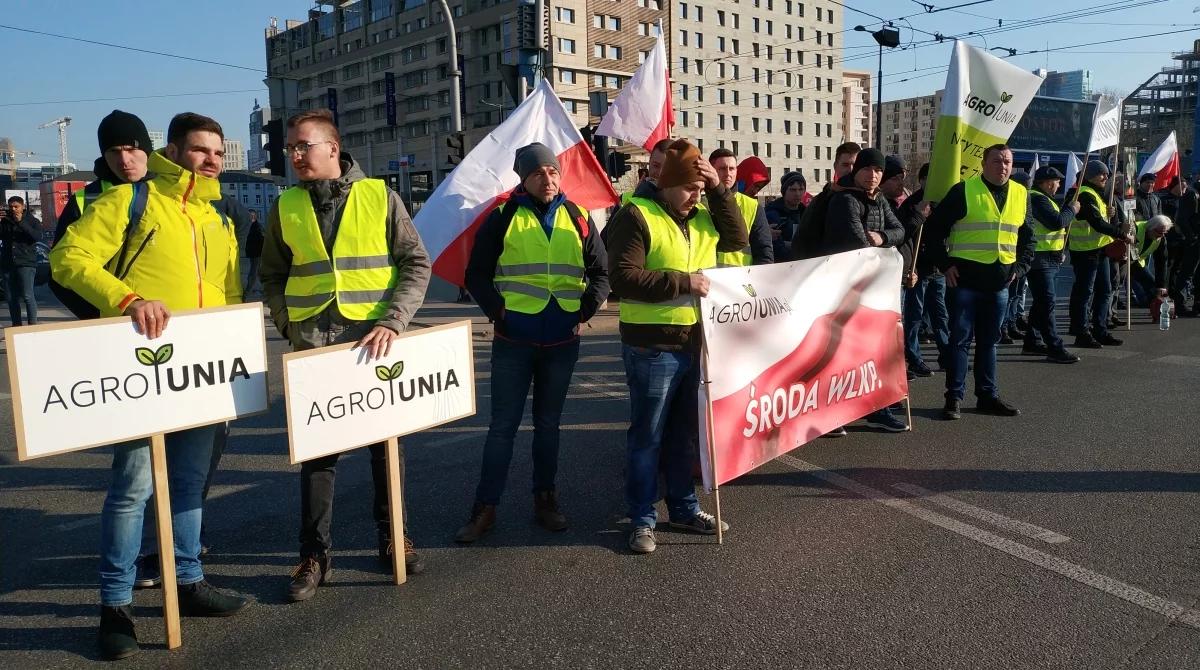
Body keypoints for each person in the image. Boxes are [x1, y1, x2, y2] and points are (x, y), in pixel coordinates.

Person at [51, 112, 247, 661]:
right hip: (142, 372)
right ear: (173, 151)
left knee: (187, 485)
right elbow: (67, 259)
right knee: (133, 489)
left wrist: (232, 353)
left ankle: (187, 579)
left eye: (217, 152)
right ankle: (115, 606)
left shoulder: (219, 217)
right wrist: (129, 300)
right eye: (199, 150)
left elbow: (228, 295)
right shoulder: (130, 200)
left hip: (201, 374)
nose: (210, 160)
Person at [259, 109, 431, 601]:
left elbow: (416, 263)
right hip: (315, 345)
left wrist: (392, 320)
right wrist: (287, 322)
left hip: (372, 345)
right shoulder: (286, 205)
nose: (294, 154)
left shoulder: (380, 196)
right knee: (318, 458)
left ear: (333, 148)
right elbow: (271, 273)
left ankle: (392, 537)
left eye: (303, 146)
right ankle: (314, 554)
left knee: (385, 450)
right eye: (291, 147)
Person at [455, 143, 610, 543]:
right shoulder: (503, 216)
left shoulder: (578, 217)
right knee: (502, 428)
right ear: (523, 177)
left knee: (548, 426)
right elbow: (476, 274)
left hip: (561, 340)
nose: (548, 178)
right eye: (539, 172)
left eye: (554, 172)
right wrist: (499, 312)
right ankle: (484, 508)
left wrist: (583, 312)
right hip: (513, 340)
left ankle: (546, 500)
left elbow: (601, 272)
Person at [606, 138, 746, 554]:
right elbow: (623, 279)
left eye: (700, 189)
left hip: (693, 343)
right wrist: (683, 282)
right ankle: (643, 518)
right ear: (667, 183)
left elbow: (736, 238)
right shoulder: (636, 215)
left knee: (684, 436)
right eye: (690, 188)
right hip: (651, 346)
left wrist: (717, 190)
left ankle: (684, 507)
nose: (694, 196)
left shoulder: (702, 213)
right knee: (648, 436)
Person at [924, 144, 1035, 421]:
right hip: (965, 283)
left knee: (989, 342)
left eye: (1008, 161)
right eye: (997, 161)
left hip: (999, 284)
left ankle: (987, 395)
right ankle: (954, 397)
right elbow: (934, 229)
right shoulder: (964, 190)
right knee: (960, 342)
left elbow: (1028, 237)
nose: (1003, 166)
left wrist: (1020, 268)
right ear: (984, 164)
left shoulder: (1021, 194)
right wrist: (945, 264)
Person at [821, 148, 919, 432]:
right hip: (844, 288)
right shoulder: (845, 199)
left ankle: (878, 408)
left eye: (878, 171)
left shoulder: (880, 200)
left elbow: (899, 231)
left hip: (874, 290)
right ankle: (834, 415)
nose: (873, 175)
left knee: (875, 353)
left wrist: (883, 236)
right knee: (843, 355)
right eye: (867, 169)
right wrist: (881, 243)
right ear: (857, 171)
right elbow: (857, 241)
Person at [52, 110, 154, 320]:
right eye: (114, 151)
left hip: (173, 318)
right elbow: (60, 273)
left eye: (131, 149)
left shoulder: (172, 194)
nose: (124, 159)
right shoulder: (85, 199)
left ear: (147, 150)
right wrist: (98, 316)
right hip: (112, 320)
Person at [1023, 166, 1081, 363]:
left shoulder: (1043, 198)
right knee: (1047, 302)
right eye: (1057, 183)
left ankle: (1032, 341)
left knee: (1041, 302)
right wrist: (1071, 209)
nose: (1058, 186)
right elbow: (1056, 222)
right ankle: (1054, 346)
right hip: (1039, 257)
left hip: (1048, 256)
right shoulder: (1037, 198)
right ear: (1048, 182)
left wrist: (1059, 252)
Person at [1068, 160, 1129, 348]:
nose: (1106, 177)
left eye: (1106, 174)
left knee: (1104, 290)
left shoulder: (1098, 194)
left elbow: (1105, 220)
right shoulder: (1084, 194)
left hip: (1100, 251)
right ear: (1089, 176)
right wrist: (1122, 235)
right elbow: (1097, 223)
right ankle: (1081, 332)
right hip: (1085, 252)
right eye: (1101, 174)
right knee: (1085, 293)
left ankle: (1100, 330)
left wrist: (1111, 214)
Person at [897, 163, 950, 376]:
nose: (932, 183)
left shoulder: (945, 203)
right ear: (921, 180)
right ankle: (914, 357)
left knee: (940, 314)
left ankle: (946, 354)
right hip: (918, 268)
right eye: (928, 178)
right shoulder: (912, 204)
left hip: (938, 270)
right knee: (915, 315)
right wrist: (920, 216)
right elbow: (904, 235)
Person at [793, 141, 860, 259]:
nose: (850, 170)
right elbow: (803, 241)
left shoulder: (873, 198)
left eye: (855, 165)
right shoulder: (821, 201)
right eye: (845, 165)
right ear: (835, 166)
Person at [709, 149, 772, 266]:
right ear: (711, 171)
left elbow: (764, 253)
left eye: (732, 169)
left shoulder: (753, 206)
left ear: (737, 171)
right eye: (722, 168)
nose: (728, 174)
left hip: (741, 280)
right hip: (705, 280)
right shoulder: (699, 203)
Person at [1000, 171, 1032, 344]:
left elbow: (1029, 231)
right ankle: (1003, 327)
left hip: (1020, 259)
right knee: (1009, 296)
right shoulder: (1009, 201)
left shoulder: (1025, 201)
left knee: (1016, 295)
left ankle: (1011, 324)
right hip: (1009, 257)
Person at [1, 195, 42, 325]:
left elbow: (36, 236)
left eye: (16, 207)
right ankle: (16, 326)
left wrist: (21, 222)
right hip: (8, 263)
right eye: (11, 207)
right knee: (11, 298)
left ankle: (32, 326)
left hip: (25, 263)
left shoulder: (32, 221)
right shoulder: (5, 221)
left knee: (27, 296)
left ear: (23, 207)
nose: (13, 209)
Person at [765, 171, 806, 261]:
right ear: (784, 191)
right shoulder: (772, 213)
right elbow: (777, 247)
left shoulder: (806, 213)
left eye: (801, 189)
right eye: (793, 190)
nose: (797, 194)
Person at [1132, 215, 1171, 306]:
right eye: (1159, 232)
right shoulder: (1136, 229)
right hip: (1123, 261)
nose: (1161, 236)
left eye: (1164, 233)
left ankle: (1154, 308)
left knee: (1153, 286)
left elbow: (1161, 262)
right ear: (1151, 228)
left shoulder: (1161, 239)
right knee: (1113, 287)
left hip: (1137, 262)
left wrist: (1161, 286)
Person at [243, 210, 264, 297]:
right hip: (254, 253)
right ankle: (265, 291)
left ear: (254, 217)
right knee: (256, 272)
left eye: (251, 216)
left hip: (257, 254)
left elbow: (262, 239)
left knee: (254, 273)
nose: (249, 217)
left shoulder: (257, 227)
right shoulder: (251, 226)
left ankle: (247, 292)